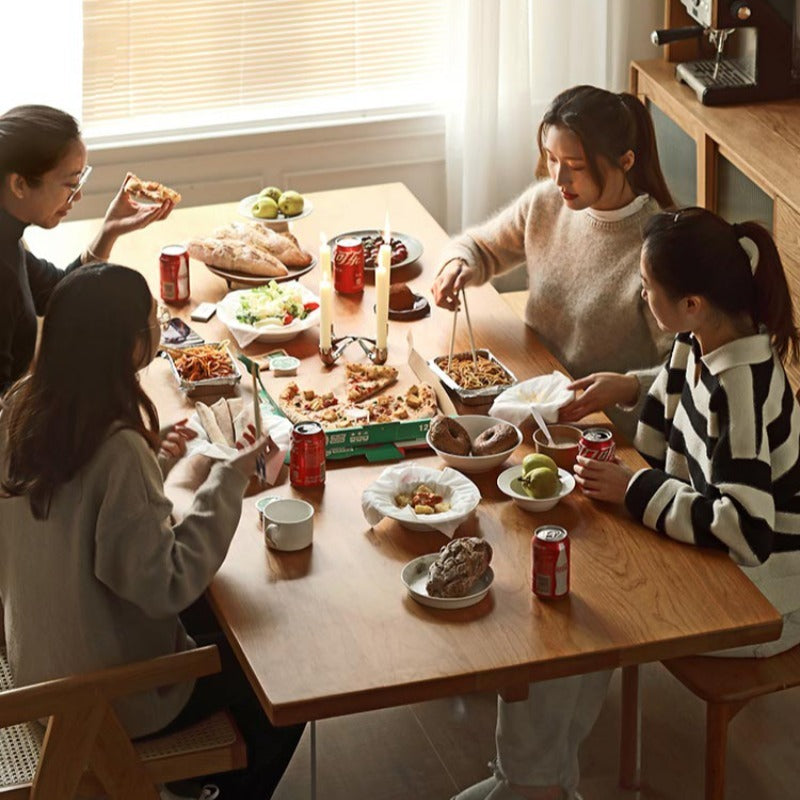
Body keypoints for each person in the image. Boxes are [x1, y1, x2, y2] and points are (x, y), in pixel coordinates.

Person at [0, 264, 303, 800]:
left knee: (227, 612)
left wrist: (154, 465)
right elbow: (165, 583)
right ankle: (209, 787)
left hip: (35, 661)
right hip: (106, 696)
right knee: (286, 673)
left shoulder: (20, 409)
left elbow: (80, 518)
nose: (160, 329)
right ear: (127, 347)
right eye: (153, 322)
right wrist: (227, 478)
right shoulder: (116, 450)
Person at [575, 207, 800, 657]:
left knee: (596, 605)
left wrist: (634, 489)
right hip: (716, 555)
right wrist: (627, 388)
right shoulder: (697, 340)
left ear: (692, 305)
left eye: (647, 286)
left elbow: (748, 532)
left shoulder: (740, 389)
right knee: (588, 562)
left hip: (764, 594)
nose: (642, 295)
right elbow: (667, 418)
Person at [432, 85, 675, 439]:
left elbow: (687, 369)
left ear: (626, 161)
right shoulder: (547, 203)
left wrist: (629, 386)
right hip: (531, 399)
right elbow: (480, 247)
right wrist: (457, 264)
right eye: (552, 158)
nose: (559, 178)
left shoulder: (656, 249)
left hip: (599, 431)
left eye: (575, 165)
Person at [0, 104, 174, 394]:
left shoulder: (9, 237)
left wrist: (109, 231)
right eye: (71, 183)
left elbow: (54, 292)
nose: (78, 195)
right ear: (19, 184)